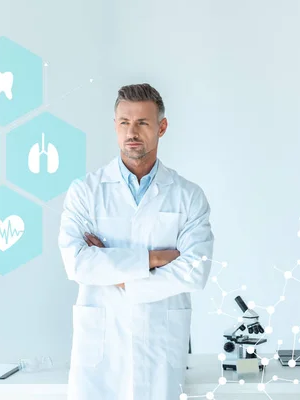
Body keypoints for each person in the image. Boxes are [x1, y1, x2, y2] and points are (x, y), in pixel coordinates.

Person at [58, 83, 215, 400]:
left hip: (161, 344)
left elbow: (194, 271)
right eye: (124, 122)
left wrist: (117, 277)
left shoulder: (188, 196)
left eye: (143, 122)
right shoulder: (86, 192)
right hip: (101, 347)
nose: (132, 132)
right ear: (114, 125)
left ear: (162, 127)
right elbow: (77, 263)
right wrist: (153, 260)